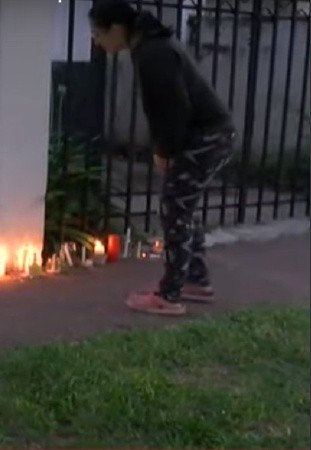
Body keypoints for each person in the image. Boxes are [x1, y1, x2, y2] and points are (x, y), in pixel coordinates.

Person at [88, 0, 235, 316]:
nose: (97, 42)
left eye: (98, 34)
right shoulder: (150, 46)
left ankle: (170, 295)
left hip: (207, 137)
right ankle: (196, 280)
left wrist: (165, 151)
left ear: (116, 28)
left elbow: (172, 109)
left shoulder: (153, 52)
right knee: (182, 206)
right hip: (209, 135)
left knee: (174, 207)